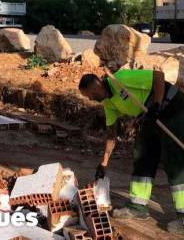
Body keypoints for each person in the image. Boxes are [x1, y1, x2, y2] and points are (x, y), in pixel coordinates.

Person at [78, 70, 184, 233]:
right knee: (142, 153)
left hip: (172, 107)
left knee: (174, 160)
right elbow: (111, 134)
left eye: (89, 95)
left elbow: (158, 75)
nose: (90, 99)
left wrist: (156, 104)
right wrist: (104, 163)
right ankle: (138, 206)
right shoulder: (108, 103)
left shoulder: (121, 79)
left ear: (96, 87)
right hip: (150, 114)